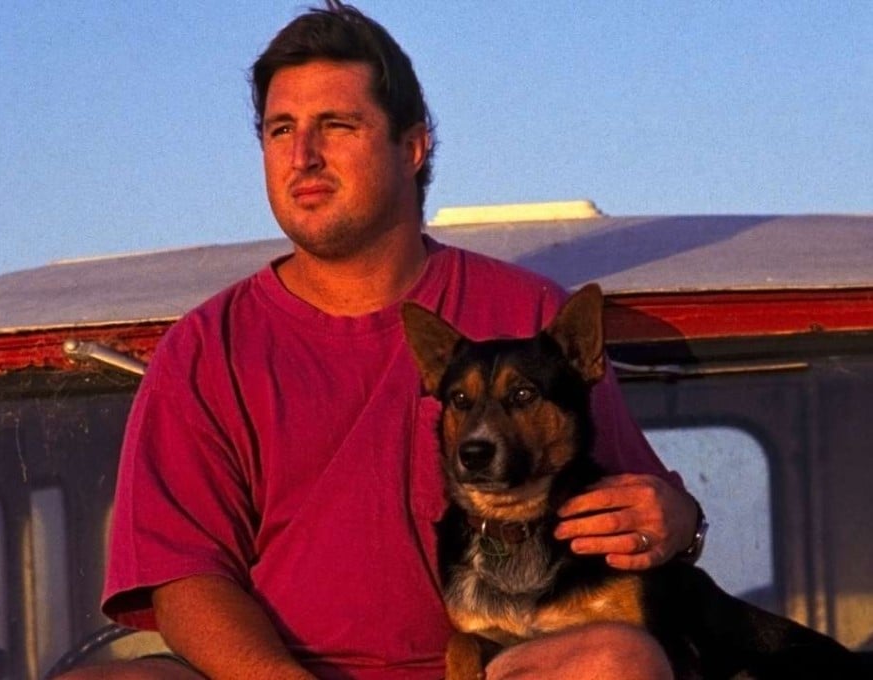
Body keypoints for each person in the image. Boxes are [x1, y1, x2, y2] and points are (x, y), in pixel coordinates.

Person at [60, 2, 700, 678]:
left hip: (501, 668)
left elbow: (642, 510)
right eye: (282, 130)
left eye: (336, 125)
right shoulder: (205, 350)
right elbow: (183, 580)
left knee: (617, 659)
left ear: (412, 146)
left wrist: (679, 520)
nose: (303, 154)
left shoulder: (528, 313)